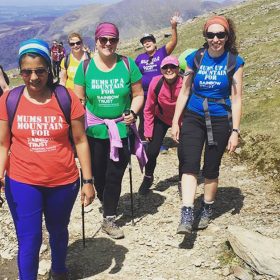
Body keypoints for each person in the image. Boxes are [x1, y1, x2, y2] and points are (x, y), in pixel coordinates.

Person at [0, 38, 95, 280]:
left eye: (40, 70)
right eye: (26, 71)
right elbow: (3, 144)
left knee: (58, 230)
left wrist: (88, 181)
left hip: (63, 181)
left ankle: (59, 271)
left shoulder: (66, 98)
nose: (33, 77)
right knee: (29, 238)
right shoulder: (9, 100)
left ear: (49, 70)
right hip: (22, 181)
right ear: (20, 72)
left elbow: (81, 140)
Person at [171, 16, 244, 234]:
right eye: (211, 35)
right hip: (194, 115)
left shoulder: (234, 61)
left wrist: (235, 131)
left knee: (211, 167)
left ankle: (207, 207)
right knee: (189, 163)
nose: (215, 39)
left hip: (221, 118)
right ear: (205, 36)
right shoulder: (196, 57)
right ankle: (186, 211)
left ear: (227, 36)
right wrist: (176, 120)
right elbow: (184, 91)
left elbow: (237, 98)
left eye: (220, 35)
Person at [74, 22, 144, 239]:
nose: (108, 43)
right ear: (96, 41)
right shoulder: (85, 67)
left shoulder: (127, 64)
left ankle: (109, 218)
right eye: (103, 39)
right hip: (94, 132)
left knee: (115, 175)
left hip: (121, 129)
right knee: (99, 176)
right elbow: (78, 101)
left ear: (117, 41)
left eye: (112, 39)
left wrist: (133, 111)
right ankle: (106, 200)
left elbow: (139, 94)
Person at [138, 56, 183, 195]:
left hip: (182, 120)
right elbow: (149, 107)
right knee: (152, 151)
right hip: (161, 118)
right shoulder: (156, 82)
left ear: (178, 68)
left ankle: (183, 180)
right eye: (165, 67)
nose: (169, 70)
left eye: (172, 67)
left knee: (184, 153)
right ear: (161, 70)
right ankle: (148, 177)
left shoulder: (185, 82)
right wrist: (148, 130)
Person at [135, 14, 178, 141]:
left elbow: (174, 42)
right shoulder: (139, 58)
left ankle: (156, 140)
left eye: (149, 41)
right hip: (144, 94)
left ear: (154, 43)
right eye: (144, 42)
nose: (146, 43)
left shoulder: (162, 52)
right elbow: (134, 75)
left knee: (158, 117)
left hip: (160, 91)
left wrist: (174, 27)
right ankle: (142, 142)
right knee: (144, 116)